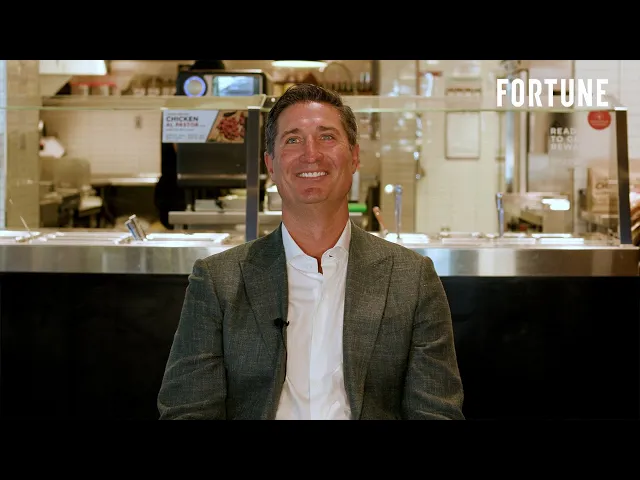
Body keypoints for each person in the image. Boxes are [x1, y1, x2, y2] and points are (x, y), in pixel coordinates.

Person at [157, 83, 464, 420]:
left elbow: (436, 412)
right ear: (270, 164)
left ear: (355, 157)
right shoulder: (219, 281)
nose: (311, 154)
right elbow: (188, 409)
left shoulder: (412, 279)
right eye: (293, 140)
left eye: (327, 137)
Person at [154, 60, 226, 229]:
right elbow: (184, 151)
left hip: (197, 194)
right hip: (178, 195)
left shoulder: (195, 102)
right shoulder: (181, 102)